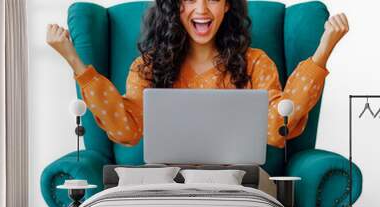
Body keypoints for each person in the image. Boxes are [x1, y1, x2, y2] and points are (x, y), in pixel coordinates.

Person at [46, 0, 349, 148]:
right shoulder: (147, 66)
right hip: (169, 181)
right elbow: (126, 130)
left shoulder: (256, 63)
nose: (202, 9)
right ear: (174, 6)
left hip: (237, 181)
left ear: (227, 5)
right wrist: (74, 59)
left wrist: (323, 51)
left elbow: (275, 130)